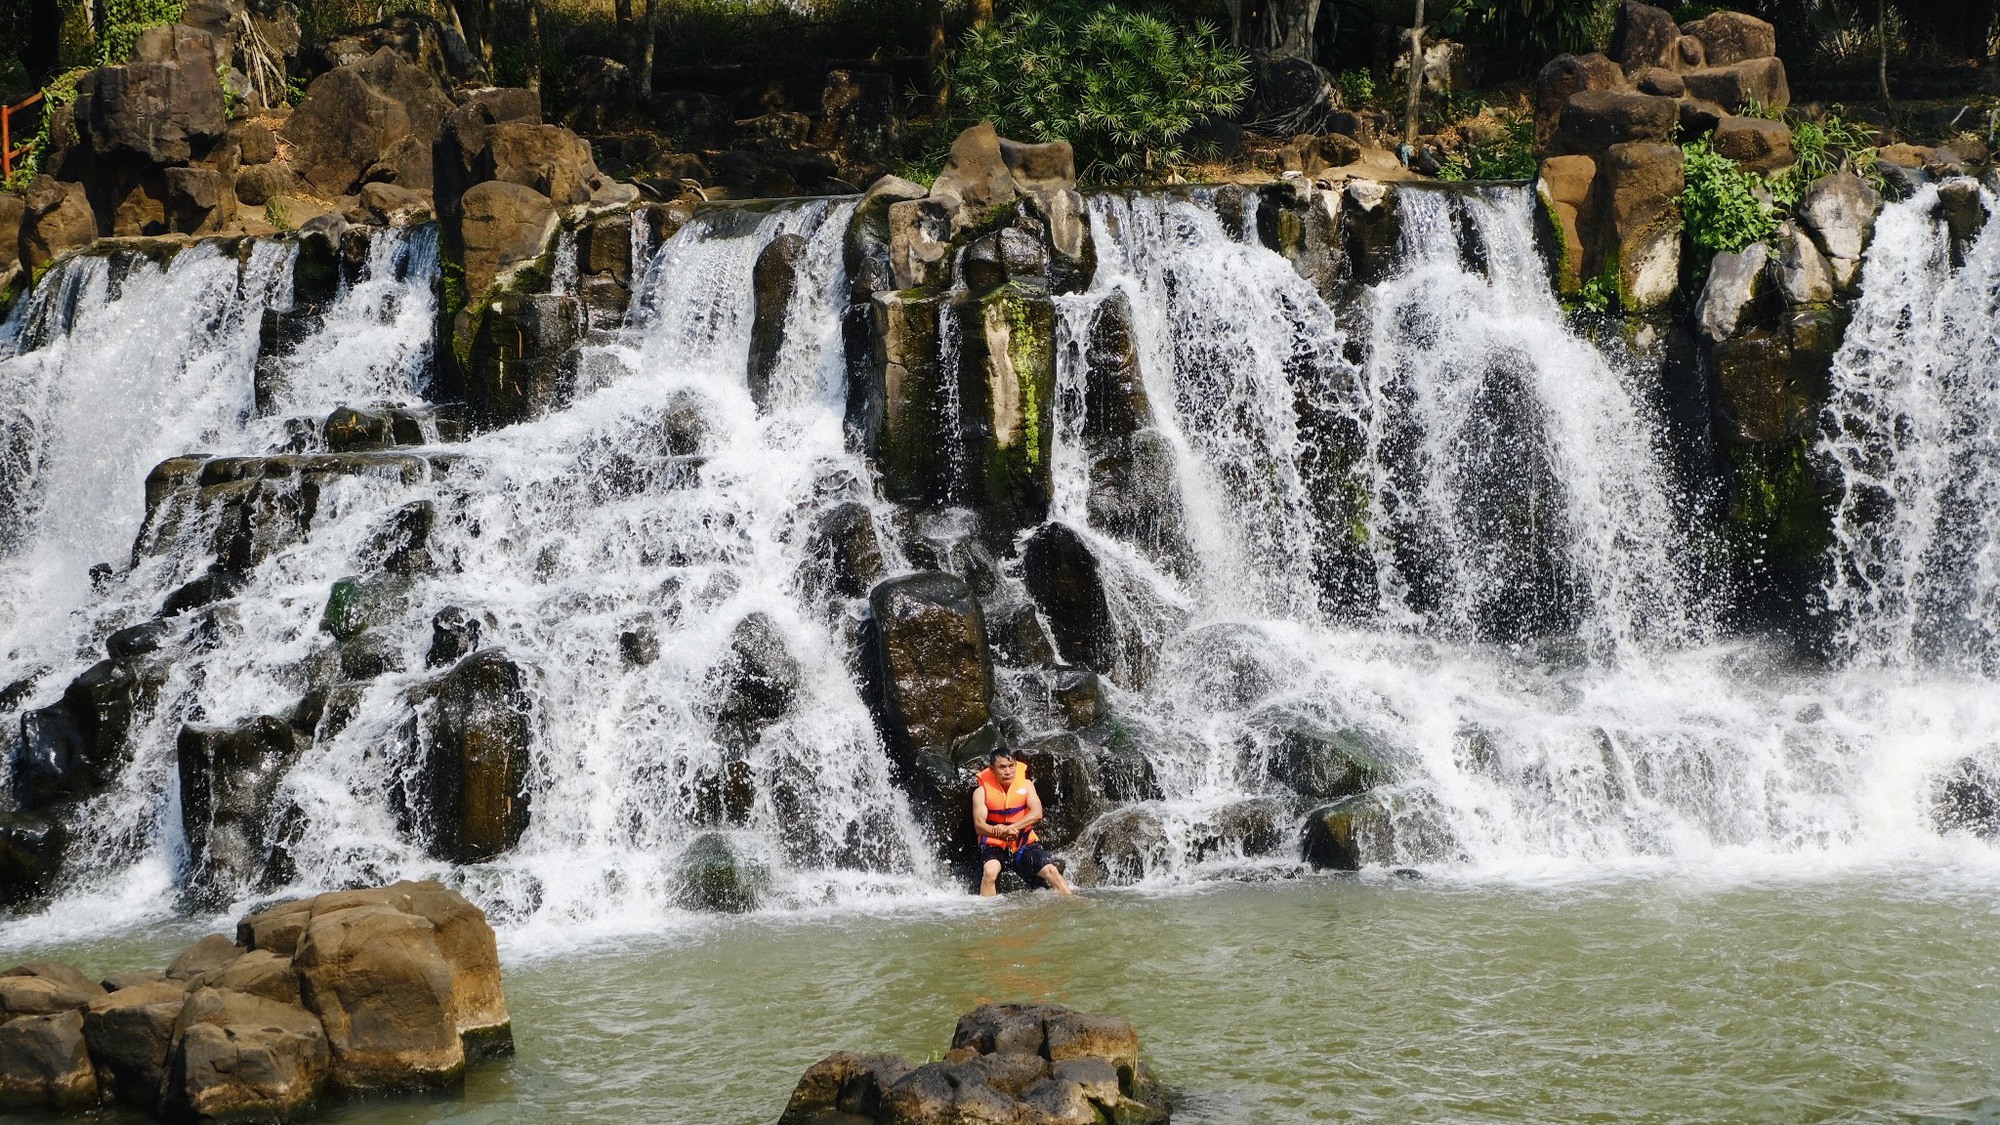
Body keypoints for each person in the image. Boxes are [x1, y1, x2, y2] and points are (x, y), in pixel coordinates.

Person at [972, 749, 1076, 897]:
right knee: (990, 873)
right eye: (1002, 767)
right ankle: (988, 913)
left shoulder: (1027, 785)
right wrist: (1000, 832)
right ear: (992, 769)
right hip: (995, 844)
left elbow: (1037, 813)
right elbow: (979, 825)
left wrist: (1011, 828)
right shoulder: (981, 792)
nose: (1008, 771)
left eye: (1011, 766)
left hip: (1023, 843)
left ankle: (1072, 902)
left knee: (1052, 871)